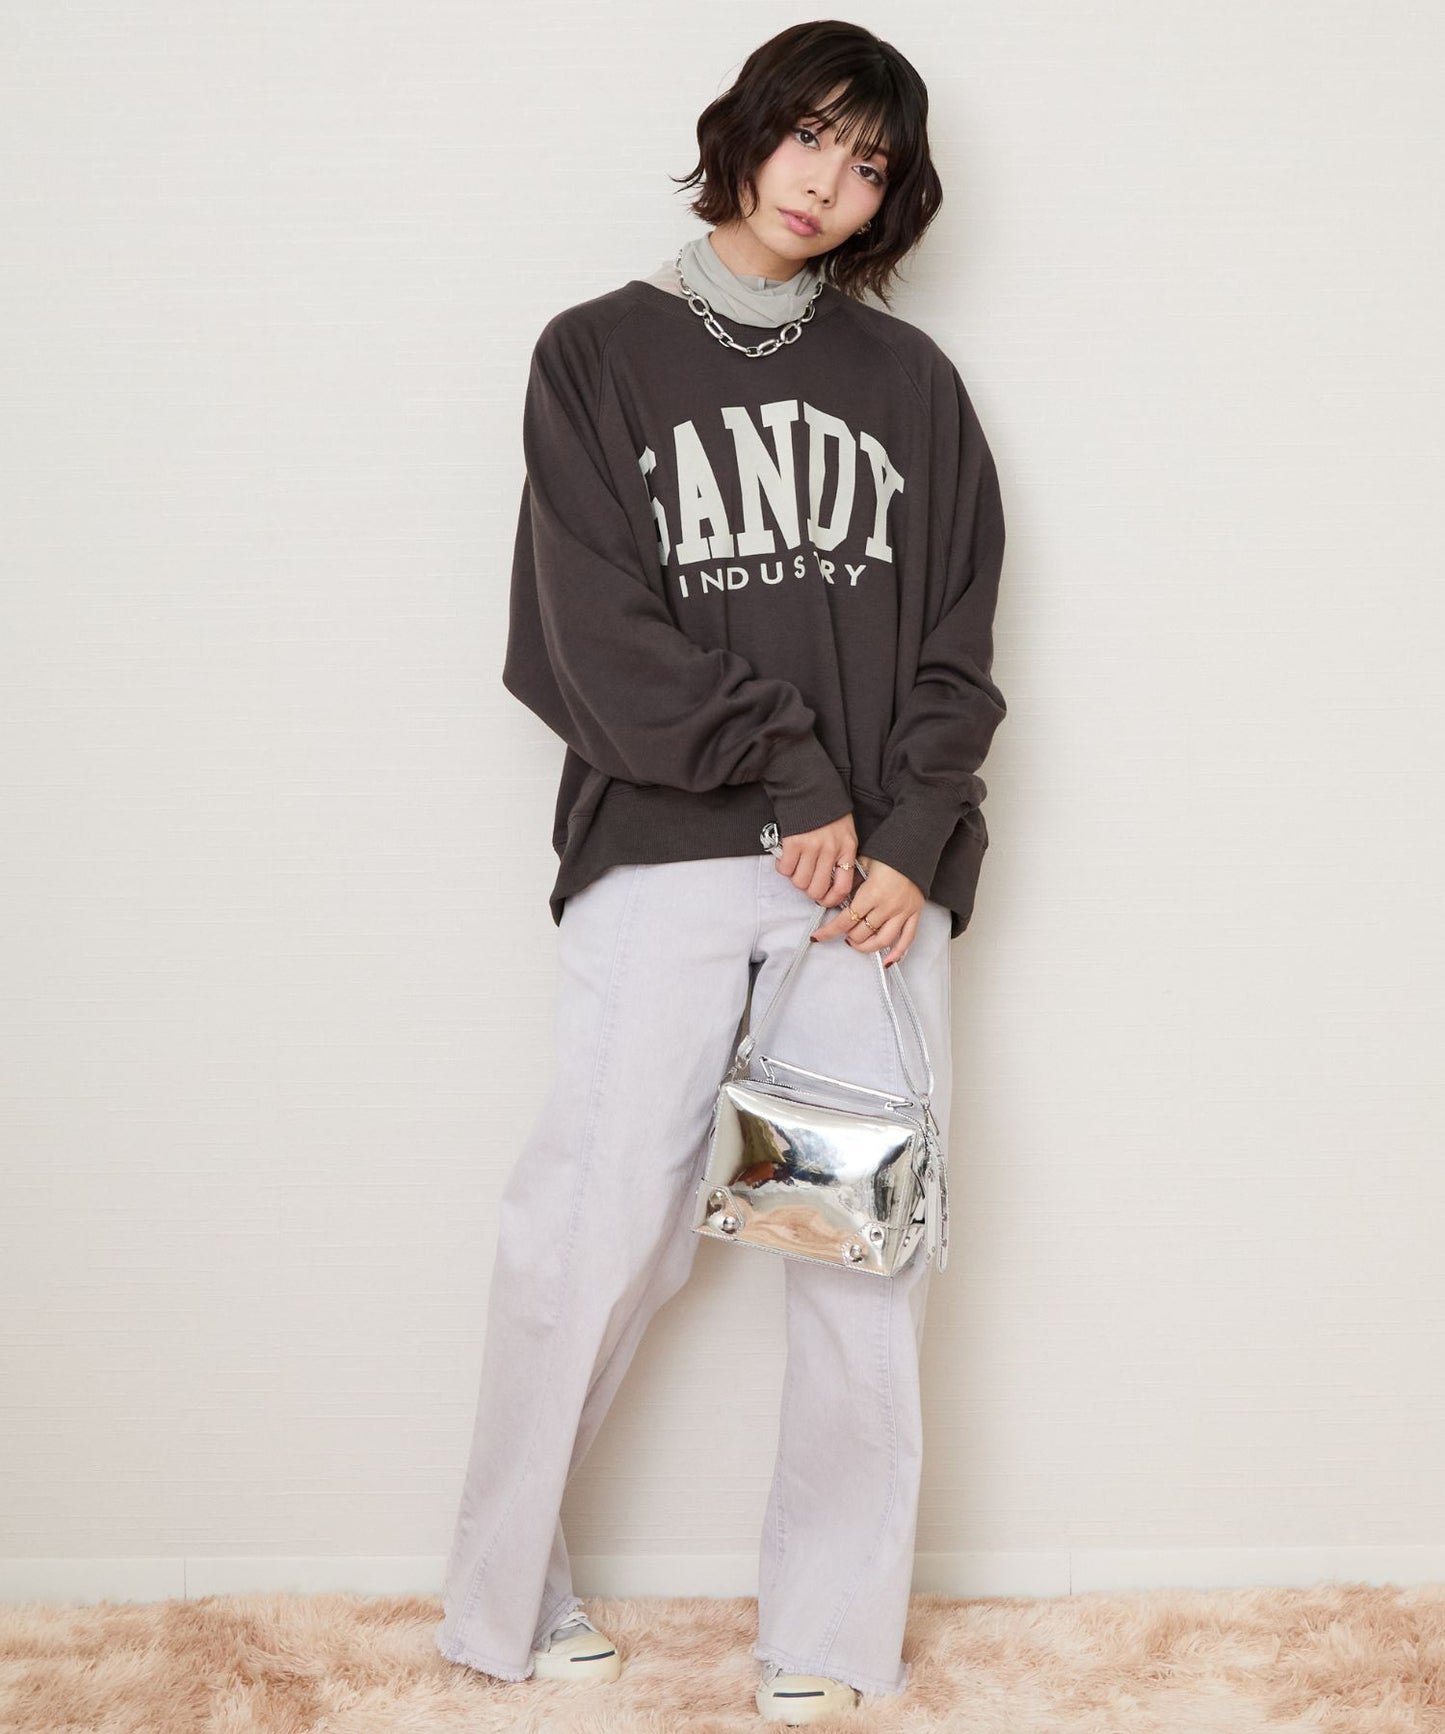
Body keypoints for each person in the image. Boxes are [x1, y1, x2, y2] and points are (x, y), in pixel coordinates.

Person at [434, 20, 1008, 1726]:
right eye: (811, 136)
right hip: (671, 855)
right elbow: (581, 632)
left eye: (870, 164)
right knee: (594, 1225)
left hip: (862, 903)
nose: (830, 182)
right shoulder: (596, 355)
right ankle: (502, 1597)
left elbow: (957, 648)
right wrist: (791, 771)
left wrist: (908, 842)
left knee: (852, 1255)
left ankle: (827, 1632)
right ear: (747, 132)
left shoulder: (908, 385)